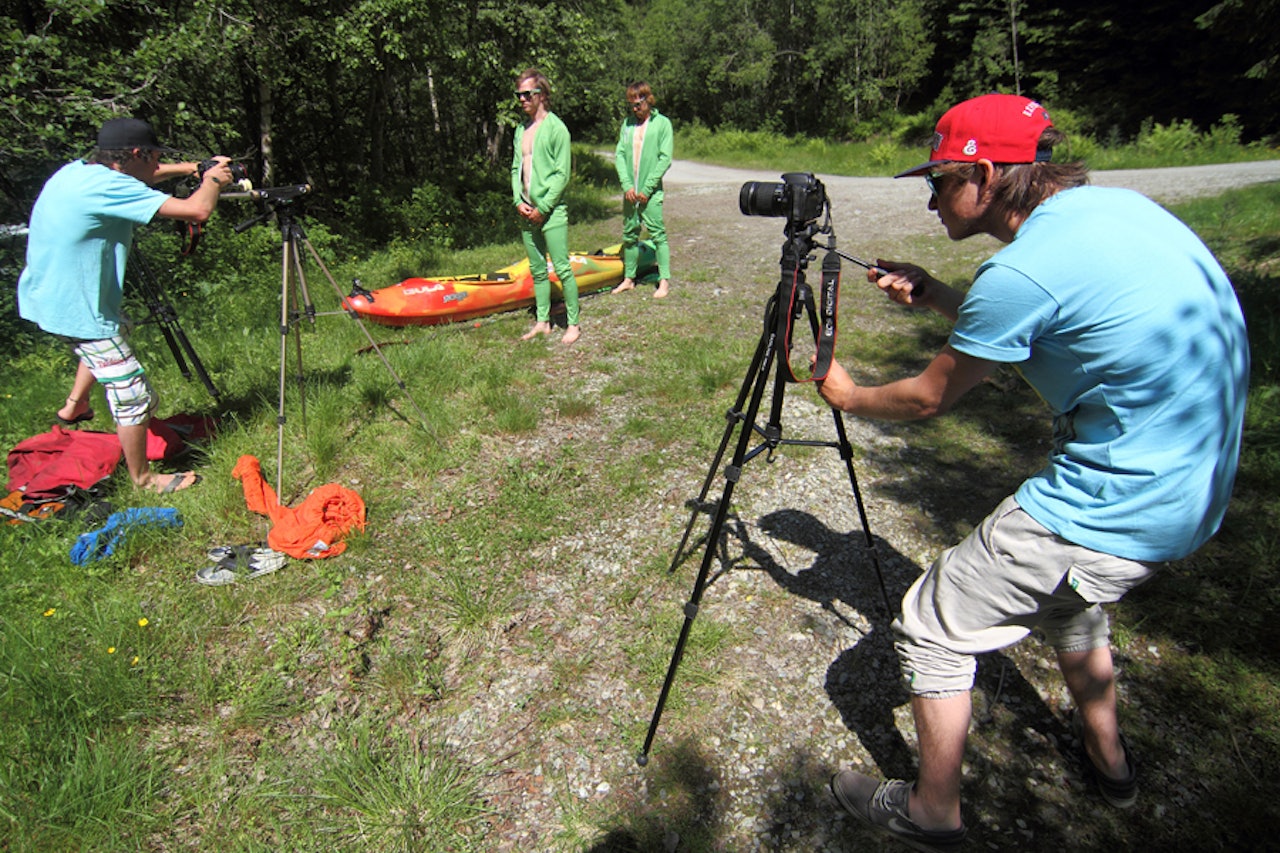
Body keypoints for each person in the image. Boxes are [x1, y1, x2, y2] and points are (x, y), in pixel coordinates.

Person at [815, 94, 1249, 850]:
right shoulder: (1114, 211)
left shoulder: (1022, 270)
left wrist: (849, 396)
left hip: (1118, 502)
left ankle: (931, 813)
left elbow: (926, 398)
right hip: (1194, 491)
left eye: (939, 180)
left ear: (985, 174)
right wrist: (940, 295)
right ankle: (1111, 762)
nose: (930, 200)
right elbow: (1042, 320)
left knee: (930, 625)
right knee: (1068, 599)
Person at [17, 117, 234, 494]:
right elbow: (197, 211)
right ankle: (143, 479)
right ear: (137, 153)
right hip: (76, 311)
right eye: (154, 157)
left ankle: (75, 405)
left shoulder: (78, 172)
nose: (157, 164)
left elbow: (145, 174)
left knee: (119, 325)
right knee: (135, 394)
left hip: (47, 295)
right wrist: (213, 181)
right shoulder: (110, 186)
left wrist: (194, 167)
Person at [511, 68, 581, 345]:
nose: (522, 99)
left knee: (562, 268)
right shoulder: (521, 130)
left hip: (551, 212)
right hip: (526, 211)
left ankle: (573, 324)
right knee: (538, 270)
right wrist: (518, 200)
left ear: (542, 94)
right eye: (519, 95)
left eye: (527, 94)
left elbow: (562, 175)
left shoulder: (556, 128)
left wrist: (544, 207)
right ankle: (543, 322)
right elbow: (516, 168)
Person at [611, 81, 673, 299]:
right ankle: (629, 279)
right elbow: (619, 155)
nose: (635, 109)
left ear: (648, 100)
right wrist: (627, 185)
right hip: (630, 194)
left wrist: (647, 188)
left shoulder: (662, 124)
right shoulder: (627, 125)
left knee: (657, 234)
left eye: (638, 104)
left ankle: (663, 281)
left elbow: (665, 159)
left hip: (650, 193)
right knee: (629, 235)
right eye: (632, 105)